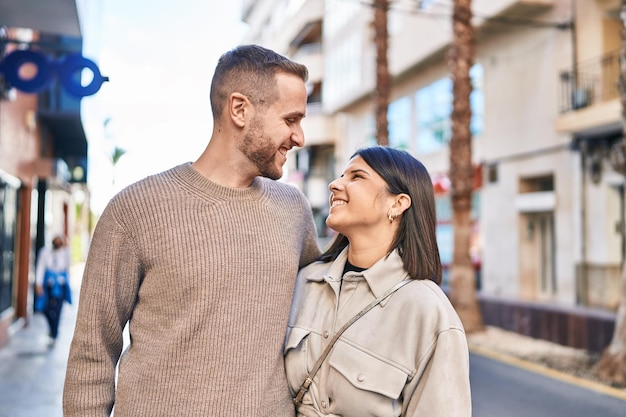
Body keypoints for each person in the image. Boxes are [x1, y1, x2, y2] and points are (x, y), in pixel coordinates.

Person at [63, 44, 321, 417]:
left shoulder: (294, 211)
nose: (299, 137)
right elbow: (92, 354)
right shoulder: (136, 210)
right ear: (239, 109)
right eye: (290, 119)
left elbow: (329, 303)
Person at [284, 146, 472, 417]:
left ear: (397, 203)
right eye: (341, 176)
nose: (335, 185)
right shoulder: (306, 282)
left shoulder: (427, 311)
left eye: (356, 177)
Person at [35, 234, 72, 346]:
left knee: (57, 310)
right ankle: (52, 328)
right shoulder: (45, 252)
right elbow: (40, 267)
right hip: (49, 285)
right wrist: (38, 284)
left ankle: (54, 333)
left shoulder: (65, 253)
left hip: (60, 285)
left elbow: (67, 269)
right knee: (45, 308)